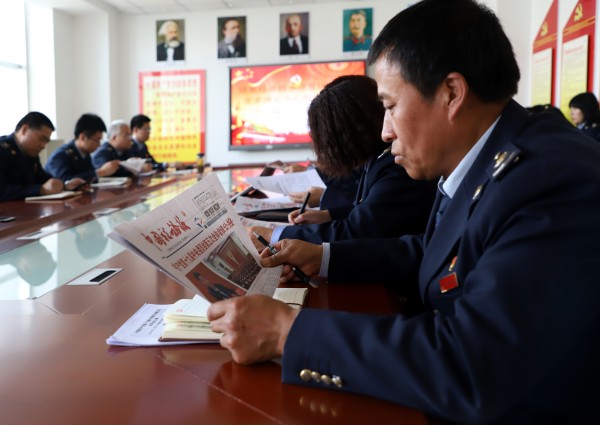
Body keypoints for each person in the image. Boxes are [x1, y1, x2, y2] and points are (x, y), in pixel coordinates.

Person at [207, 1, 600, 423]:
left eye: (391, 106)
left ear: (451, 93)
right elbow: (434, 252)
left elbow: (472, 364)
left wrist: (287, 333)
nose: (385, 131)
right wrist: (322, 257)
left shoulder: (549, 181)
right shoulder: (488, 159)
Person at [248, 75, 436, 248]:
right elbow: (365, 210)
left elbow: (358, 230)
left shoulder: (395, 165)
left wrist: (276, 235)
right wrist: (327, 215)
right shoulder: (377, 159)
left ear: (344, 135)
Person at [0, 112, 85, 202]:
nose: (43, 146)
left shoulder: (31, 153)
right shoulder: (2, 150)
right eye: (41, 139)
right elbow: (2, 191)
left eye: (46, 142)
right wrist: (40, 190)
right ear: (24, 130)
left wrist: (65, 185)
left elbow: (43, 179)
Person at [45, 113, 119, 182]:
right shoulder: (61, 155)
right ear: (83, 137)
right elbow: (65, 181)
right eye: (97, 140)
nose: (99, 145)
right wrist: (100, 172)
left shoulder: (85, 154)